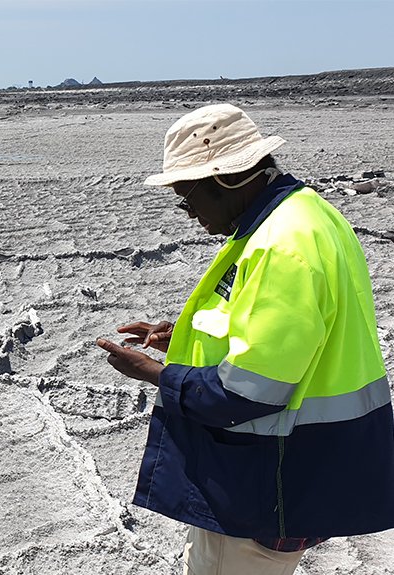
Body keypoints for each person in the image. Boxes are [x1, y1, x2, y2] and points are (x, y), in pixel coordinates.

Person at [95, 103, 394, 574]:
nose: (189, 213)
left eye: (187, 197)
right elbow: (281, 333)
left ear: (226, 179)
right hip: (290, 468)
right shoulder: (305, 213)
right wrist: (177, 337)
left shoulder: (282, 244)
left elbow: (248, 392)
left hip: (267, 482)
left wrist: (154, 374)